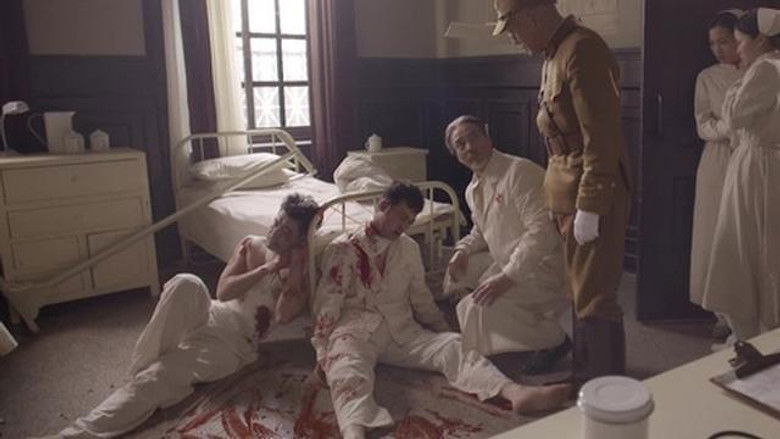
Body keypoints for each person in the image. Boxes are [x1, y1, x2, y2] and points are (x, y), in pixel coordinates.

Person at [46, 193, 320, 438]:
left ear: (300, 241)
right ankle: (145, 366)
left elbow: (283, 316)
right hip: (213, 311)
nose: (275, 231)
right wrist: (265, 269)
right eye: (277, 221)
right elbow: (223, 292)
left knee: (159, 377)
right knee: (186, 282)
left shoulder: (299, 276)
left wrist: (294, 268)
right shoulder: (251, 244)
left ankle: (75, 433)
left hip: (233, 344)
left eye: (286, 231)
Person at [311, 182, 570, 439]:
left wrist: (442, 331)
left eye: (410, 221)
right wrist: (323, 352)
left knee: (454, 346)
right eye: (401, 217)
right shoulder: (343, 249)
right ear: (383, 205)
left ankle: (514, 392)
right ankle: (354, 432)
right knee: (347, 370)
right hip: (355, 330)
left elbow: (421, 298)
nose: (404, 226)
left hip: (401, 330)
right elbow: (328, 304)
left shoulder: (408, 248)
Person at [492, 0, 633, 382]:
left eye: (514, 29)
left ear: (532, 16)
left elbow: (601, 137)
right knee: (579, 290)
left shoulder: (583, 49)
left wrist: (591, 204)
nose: (515, 39)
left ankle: (602, 384)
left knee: (595, 297)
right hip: (566, 190)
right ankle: (587, 375)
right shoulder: (555, 53)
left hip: (589, 192)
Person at [442, 115, 570, 374]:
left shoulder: (519, 172)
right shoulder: (473, 188)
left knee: (477, 306)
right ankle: (509, 327)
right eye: (460, 144)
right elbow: (481, 230)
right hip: (507, 260)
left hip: (542, 267)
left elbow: (542, 233)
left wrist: (507, 278)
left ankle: (554, 339)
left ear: (487, 135)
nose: (469, 147)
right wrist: (462, 251)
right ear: (456, 154)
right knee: (456, 277)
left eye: (474, 137)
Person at [703, 8, 780, 342]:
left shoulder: (764, 69)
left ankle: (753, 328)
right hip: (767, 161)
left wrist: (738, 82)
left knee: (744, 241)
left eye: (739, 41)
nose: (737, 49)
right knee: (764, 242)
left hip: (756, 164)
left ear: (760, 40)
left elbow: (734, 115)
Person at [690, 10, 743, 341]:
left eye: (724, 41)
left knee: (745, 230)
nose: (718, 49)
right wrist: (728, 128)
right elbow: (703, 123)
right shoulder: (707, 77)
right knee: (716, 230)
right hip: (719, 158)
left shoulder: (763, 69)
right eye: (713, 43)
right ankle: (721, 310)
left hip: (753, 154)